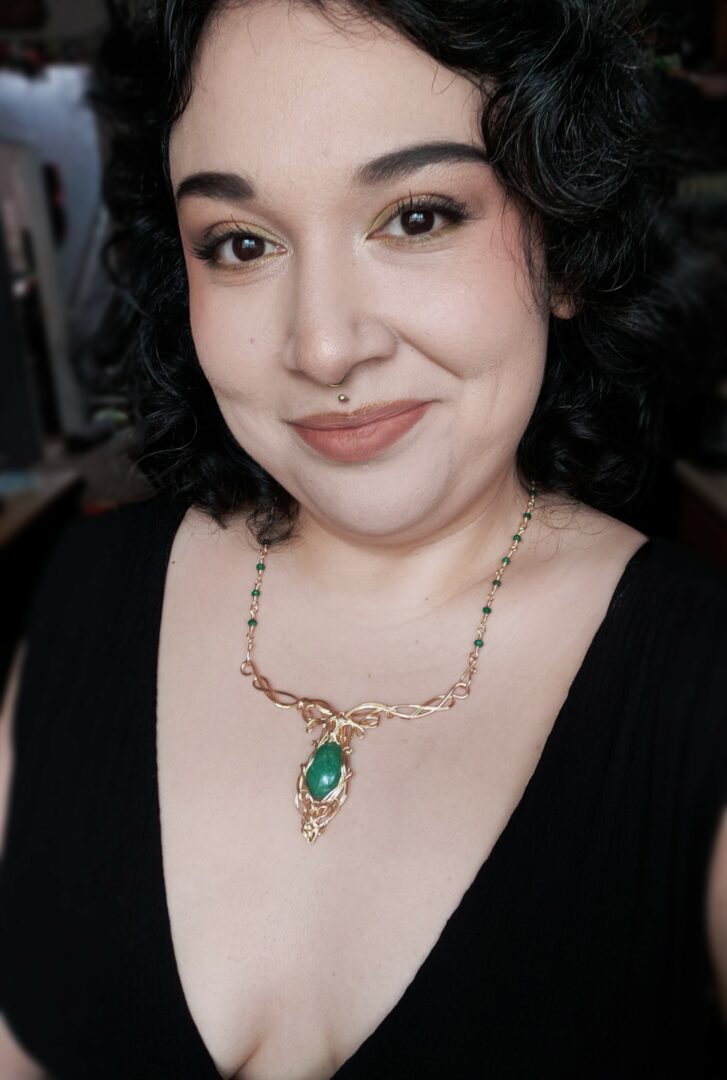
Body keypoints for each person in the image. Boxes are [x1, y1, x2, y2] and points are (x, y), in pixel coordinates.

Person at [1, 1, 726, 1077]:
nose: (324, 346)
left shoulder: (702, 687)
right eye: (241, 243)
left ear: (564, 241)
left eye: (417, 217)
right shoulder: (82, 600)